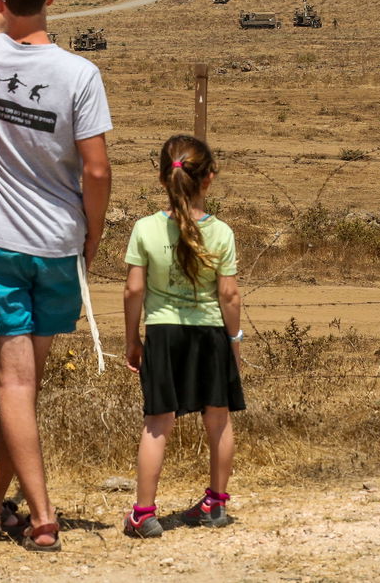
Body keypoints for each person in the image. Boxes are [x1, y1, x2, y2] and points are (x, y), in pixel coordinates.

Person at [0, 0, 112, 552]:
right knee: (24, 383)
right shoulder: (80, 74)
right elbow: (96, 169)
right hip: (58, 241)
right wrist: (91, 231)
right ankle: (40, 513)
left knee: (16, 383)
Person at [122, 134, 245, 539]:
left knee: (158, 421)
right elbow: (228, 294)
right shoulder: (222, 234)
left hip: (162, 332)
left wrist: (132, 339)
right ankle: (216, 504)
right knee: (218, 417)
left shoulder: (144, 229)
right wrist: (234, 340)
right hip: (210, 334)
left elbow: (134, 290)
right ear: (210, 178)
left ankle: (144, 512)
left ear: (162, 178)